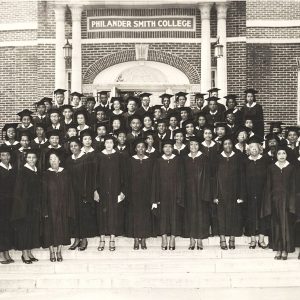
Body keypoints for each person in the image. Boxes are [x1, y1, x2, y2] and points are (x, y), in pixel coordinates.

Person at [262, 146, 298, 260]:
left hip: (287, 201)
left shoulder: (291, 168)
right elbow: (268, 186)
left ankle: (285, 250)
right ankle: (278, 249)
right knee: (276, 225)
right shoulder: (271, 168)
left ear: (287, 155)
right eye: (279, 153)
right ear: (275, 155)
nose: (282, 155)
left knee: (286, 225)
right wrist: (268, 201)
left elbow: (294, 187)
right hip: (275, 200)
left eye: (284, 153)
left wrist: (292, 203)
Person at [213, 136, 246, 250]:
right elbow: (213, 178)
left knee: (234, 216)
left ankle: (232, 238)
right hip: (221, 192)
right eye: (225, 144)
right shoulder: (217, 158)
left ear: (233, 145)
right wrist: (215, 195)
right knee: (221, 216)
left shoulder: (238, 157)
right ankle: (222, 239)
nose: (227, 146)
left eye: (229, 143)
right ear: (222, 145)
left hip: (234, 193)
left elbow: (242, 177)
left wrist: (241, 195)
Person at [65, 137, 98, 252]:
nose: (74, 148)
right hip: (72, 193)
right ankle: (76, 238)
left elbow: (91, 177)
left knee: (83, 216)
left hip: (84, 192)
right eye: (71, 146)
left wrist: (89, 193)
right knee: (74, 216)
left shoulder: (86, 158)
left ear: (80, 146)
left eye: (76, 146)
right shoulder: (69, 160)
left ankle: (84, 239)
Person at [42, 150, 75, 262]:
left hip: (63, 206)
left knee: (62, 228)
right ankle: (52, 252)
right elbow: (43, 194)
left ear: (60, 160)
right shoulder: (45, 174)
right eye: (51, 159)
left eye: (55, 159)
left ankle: (59, 251)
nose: (53, 161)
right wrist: (44, 210)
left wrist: (69, 208)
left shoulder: (65, 173)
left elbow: (70, 191)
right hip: (50, 207)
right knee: (49, 229)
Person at [151, 139, 184, 250]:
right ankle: (164, 237)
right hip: (162, 193)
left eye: (170, 146)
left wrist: (180, 194)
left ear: (173, 148)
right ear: (162, 148)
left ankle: (173, 237)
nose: (168, 149)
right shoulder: (158, 161)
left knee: (175, 215)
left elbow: (181, 179)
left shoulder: (178, 160)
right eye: (165, 147)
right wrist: (155, 197)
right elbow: (154, 180)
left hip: (175, 193)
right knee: (163, 215)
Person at [95, 135, 126, 251]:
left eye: (111, 142)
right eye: (107, 142)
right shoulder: (99, 156)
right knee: (101, 214)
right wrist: (95, 190)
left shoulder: (119, 156)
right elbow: (95, 175)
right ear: (104, 144)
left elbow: (123, 175)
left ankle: (112, 238)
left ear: (114, 144)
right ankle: (102, 239)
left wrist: (123, 191)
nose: (108, 145)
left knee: (114, 213)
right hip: (101, 190)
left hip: (115, 189)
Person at [11, 149, 42, 264]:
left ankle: (29, 252)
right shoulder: (23, 171)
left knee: (32, 229)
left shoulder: (36, 171)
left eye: (33, 157)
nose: (31, 160)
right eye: (29, 158)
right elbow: (19, 191)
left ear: (37, 159)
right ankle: (24, 254)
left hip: (34, 206)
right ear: (26, 159)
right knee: (25, 230)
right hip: (25, 206)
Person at [126, 138, 155, 249]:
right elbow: (127, 178)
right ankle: (136, 239)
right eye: (138, 147)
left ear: (146, 148)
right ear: (135, 148)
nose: (141, 149)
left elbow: (153, 178)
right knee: (135, 216)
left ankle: (143, 239)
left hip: (146, 193)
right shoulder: (130, 160)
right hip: (134, 193)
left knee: (145, 216)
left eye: (143, 146)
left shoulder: (150, 160)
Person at [183, 137, 211, 250]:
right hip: (189, 192)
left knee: (201, 215)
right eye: (191, 145)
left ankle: (200, 239)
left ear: (199, 146)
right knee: (190, 215)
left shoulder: (204, 158)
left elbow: (208, 177)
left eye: (195, 144)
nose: (193, 147)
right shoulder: (185, 159)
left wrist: (206, 192)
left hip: (201, 191)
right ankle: (192, 239)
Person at [244, 137, 269, 249]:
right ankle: (253, 240)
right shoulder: (245, 161)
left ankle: (261, 240)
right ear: (249, 149)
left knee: (262, 216)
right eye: (252, 148)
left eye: (256, 148)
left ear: (260, 149)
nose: (254, 149)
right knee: (250, 216)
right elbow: (242, 178)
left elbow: (269, 178)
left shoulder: (265, 161)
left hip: (262, 193)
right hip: (249, 193)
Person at [0, 145, 17, 264]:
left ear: (10, 156)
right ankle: (1, 254)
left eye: (7, 155)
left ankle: (7, 252)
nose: (5, 157)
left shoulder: (12, 169)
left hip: (11, 203)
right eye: (2, 155)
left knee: (8, 228)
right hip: (1, 203)